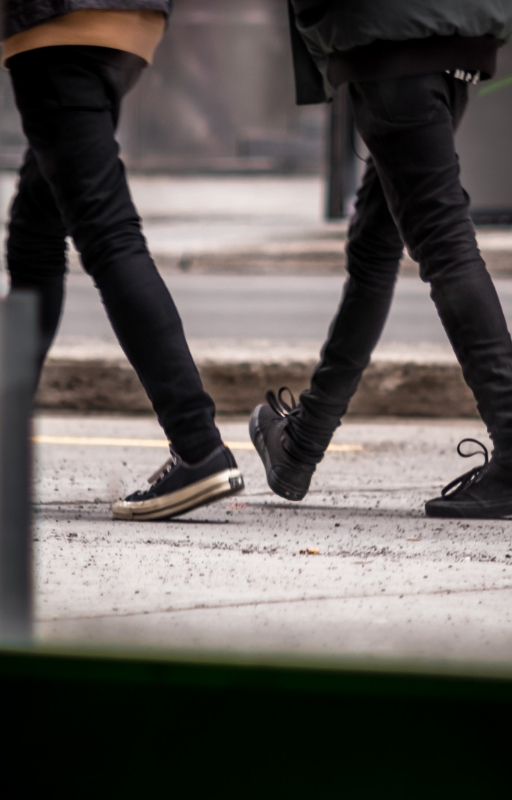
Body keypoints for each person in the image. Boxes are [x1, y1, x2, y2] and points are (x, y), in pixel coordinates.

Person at [250, 0, 512, 519]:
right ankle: (303, 442)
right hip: (454, 33)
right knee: (375, 243)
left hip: (394, 38)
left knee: (442, 240)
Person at [2, 2, 244, 520]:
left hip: (59, 22)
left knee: (108, 234)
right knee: (35, 228)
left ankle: (198, 446)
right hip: (130, 22)